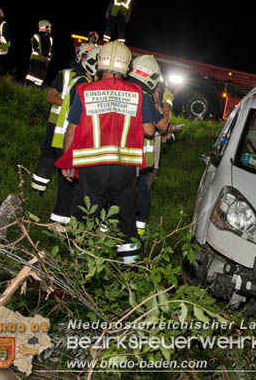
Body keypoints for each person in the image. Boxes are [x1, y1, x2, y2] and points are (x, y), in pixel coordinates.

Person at [56, 41, 155, 264]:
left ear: (100, 63)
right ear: (127, 67)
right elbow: (149, 130)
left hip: (92, 167)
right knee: (125, 220)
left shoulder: (85, 90)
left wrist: (67, 162)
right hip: (125, 169)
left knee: (84, 216)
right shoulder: (137, 93)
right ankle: (129, 272)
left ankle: (79, 269)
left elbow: (71, 130)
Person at [31, 43, 95, 194]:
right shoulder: (66, 75)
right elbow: (51, 97)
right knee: (48, 156)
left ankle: (62, 195)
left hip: (72, 126)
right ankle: (37, 191)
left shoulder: (90, 80)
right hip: (56, 124)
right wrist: (71, 105)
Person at [49, 46, 100, 225]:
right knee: (67, 190)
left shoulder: (80, 79)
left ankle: (61, 227)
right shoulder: (82, 84)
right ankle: (59, 228)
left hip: (66, 140)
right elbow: (76, 121)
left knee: (67, 189)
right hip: (68, 142)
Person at [126, 55, 171, 235]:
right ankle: (135, 241)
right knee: (142, 201)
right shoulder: (142, 97)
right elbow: (157, 128)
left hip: (112, 155)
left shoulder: (121, 89)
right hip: (131, 159)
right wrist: (167, 105)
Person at [25, 20, 53, 87]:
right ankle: (27, 88)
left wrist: (48, 58)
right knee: (32, 75)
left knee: (40, 78)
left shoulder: (50, 39)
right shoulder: (36, 36)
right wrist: (42, 56)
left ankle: (36, 90)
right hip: (36, 59)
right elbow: (35, 47)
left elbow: (50, 50)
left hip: (45, 62)